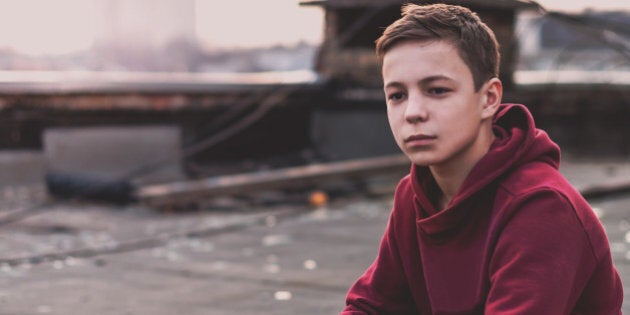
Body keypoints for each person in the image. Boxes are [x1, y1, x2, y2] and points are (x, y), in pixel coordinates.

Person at [341, 3, 623, 314]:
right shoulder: (414, 194)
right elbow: (370, 305)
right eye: (397, 95)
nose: (412, 113)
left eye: (436, 90)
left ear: (489, 99)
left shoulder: (542, 207)